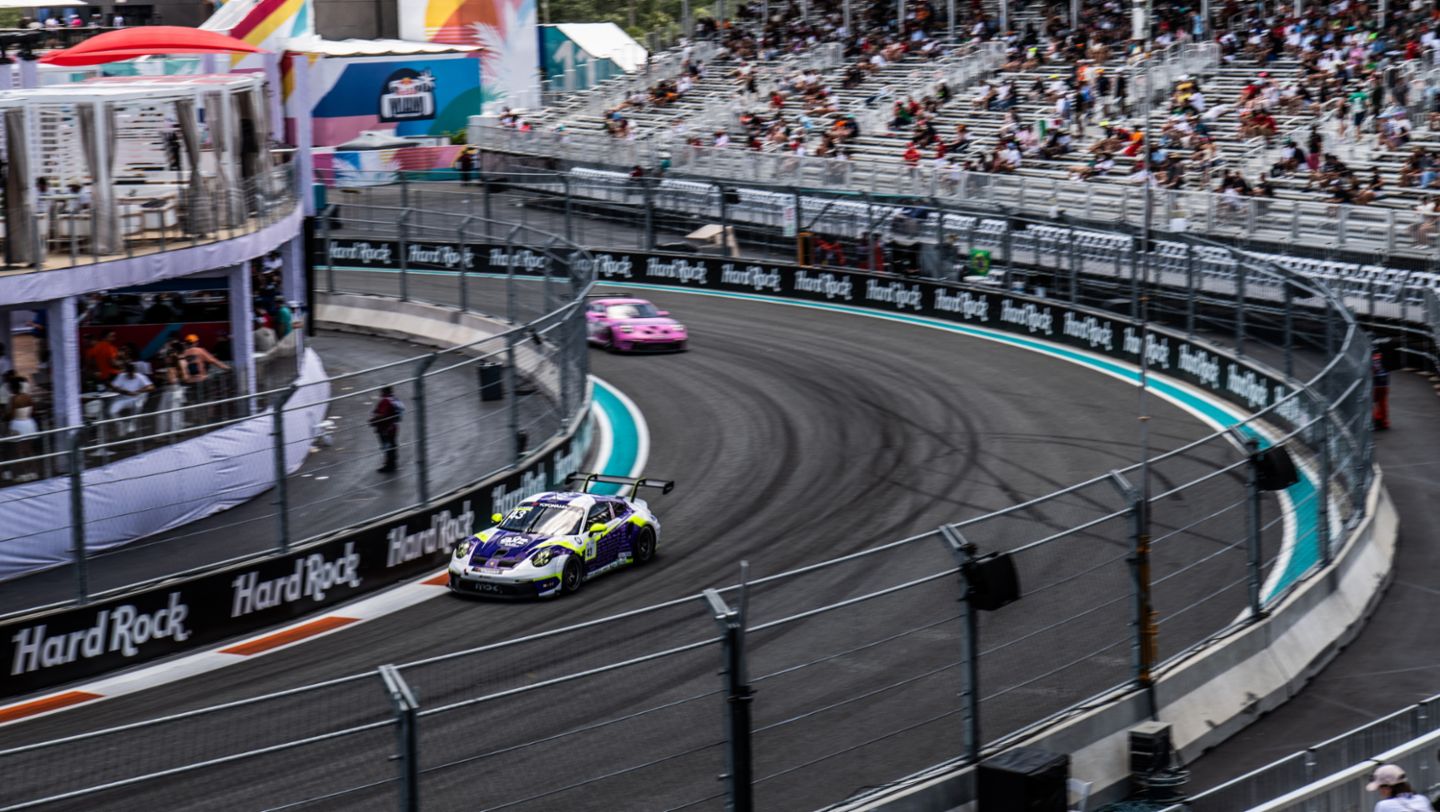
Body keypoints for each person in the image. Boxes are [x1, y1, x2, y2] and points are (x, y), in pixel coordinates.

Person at [109, 362, 154, 434]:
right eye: (129, 373)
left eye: (132, 373)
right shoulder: (121, 376)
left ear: (135, 371)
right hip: (123, 399)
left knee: (138, 404)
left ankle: (132, 423)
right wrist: (125, 392)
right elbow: (113, 387)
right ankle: (121, 425)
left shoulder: (140, 376)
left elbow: (151, 387)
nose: (130, 375)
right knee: (112, 411)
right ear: (126, 372)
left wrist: (139, 391)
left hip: (135, 399)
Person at [1366, 763, 1432, 811]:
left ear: (1388, 788)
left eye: (1379, 787)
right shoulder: (1422, 799)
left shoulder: (1383, 806)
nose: (1379, 791)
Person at [369, 385, 405, 473]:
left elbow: (383, 414)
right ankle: (392, 464)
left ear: (384, 392)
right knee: (392, 445)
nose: (380, 393)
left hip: (386, 428)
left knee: (387, 446)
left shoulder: (385, 401)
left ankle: (389, 466)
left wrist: (373, 420)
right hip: (393, 427)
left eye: (381, 391)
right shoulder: (394, 399)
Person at [1372, 350, 1391, 431]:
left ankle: (1376, 419)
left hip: (1375, 385)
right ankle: (1383, 422)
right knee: (1383, 404)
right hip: (1384, 384)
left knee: (1370, 403)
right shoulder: (1383, 358)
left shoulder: (1371, 358)